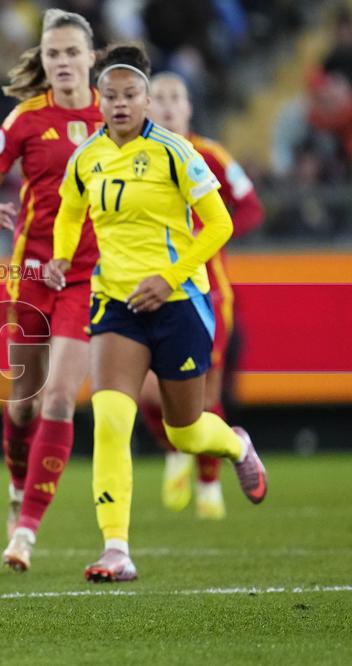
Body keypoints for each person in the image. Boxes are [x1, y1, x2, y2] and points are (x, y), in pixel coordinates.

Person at [45, 44, 269, 583]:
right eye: (112, 96)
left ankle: (236, 443)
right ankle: (116, 549)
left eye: (131, 95)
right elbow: (71, 213)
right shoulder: (87, 158)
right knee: (111, 422)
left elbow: (219, 225)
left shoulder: (176, 152)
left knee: (186, 429)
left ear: (146, 99)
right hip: (116, 304)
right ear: (100, 101)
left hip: (179, 303)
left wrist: (168, 278)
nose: (121, 104)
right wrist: (58, 256)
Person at [0, 8, 102, 573]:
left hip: (90, 274)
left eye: (72, 52)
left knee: (59, 398)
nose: (63, 62)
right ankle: (18, 488)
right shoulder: (25, 119)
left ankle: (25, 531)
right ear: (42, 61)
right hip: (31, 272)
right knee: (21, 404)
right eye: (54, 54)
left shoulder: (115, 117)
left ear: (91, 57)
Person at [144, 72, 264, 519]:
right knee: (144, 388)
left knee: (202, 388)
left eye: (177, 97)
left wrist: (211, 233)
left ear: (189, 107)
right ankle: (175, 446)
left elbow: (250, 206)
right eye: (160, 97)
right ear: (146, 105)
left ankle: (209, 484)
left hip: (205, 293)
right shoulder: (132, 157)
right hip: (146, 288)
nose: (169, 105)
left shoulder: (209, 154)